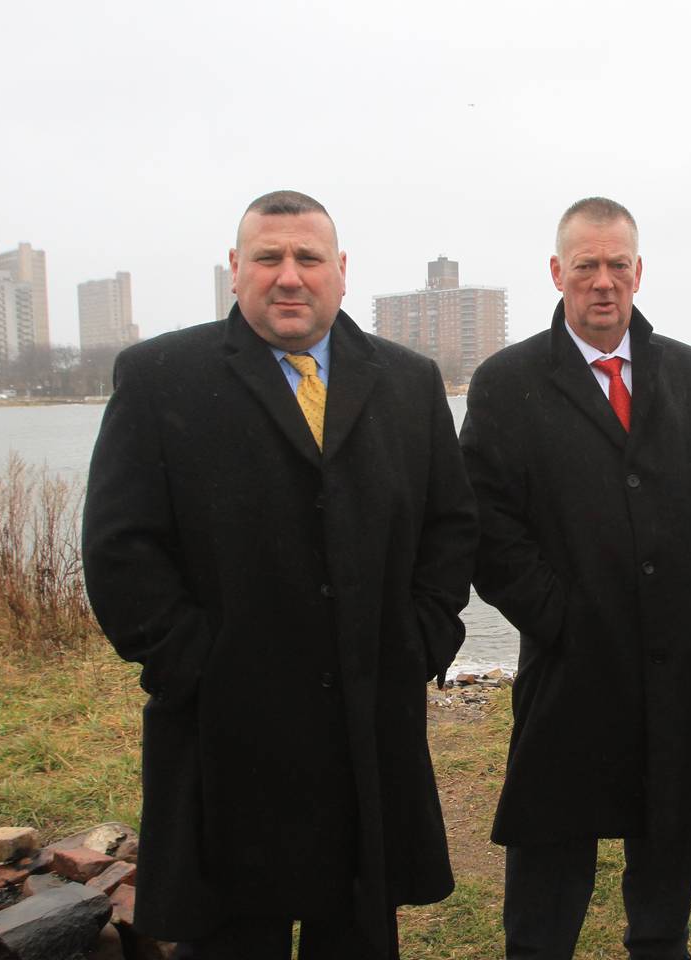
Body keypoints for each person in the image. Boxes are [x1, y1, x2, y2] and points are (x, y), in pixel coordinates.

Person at [82, 190, 477, 960]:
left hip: (368, 724)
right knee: (232, 937)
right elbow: (121, 549)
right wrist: (193, 663)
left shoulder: (407, 381)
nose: (289, 276)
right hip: (227, 731)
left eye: (308, 258)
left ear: (341, 272)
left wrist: (421, 641)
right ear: (236, 270)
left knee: (356, 933)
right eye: (269, 258)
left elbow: (450, 528)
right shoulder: (162, 376)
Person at [459, 197, 691, 959]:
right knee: (551, 855)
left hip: (677, 660)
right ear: (557, 272)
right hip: (570, 663)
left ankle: (659, 946)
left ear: (639, 271)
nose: (602, 282)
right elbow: (488, 525)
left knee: (668, 850)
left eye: (617, 265)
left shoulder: (689, 373)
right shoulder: (507, 381)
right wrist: (557, 617)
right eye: (585, 265)